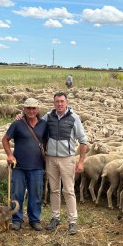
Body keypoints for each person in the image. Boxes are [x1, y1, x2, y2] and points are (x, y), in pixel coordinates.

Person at [44, 92, 87, 235]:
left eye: (62, 101)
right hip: (50, 158)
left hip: (67, 159)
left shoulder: (74, 118)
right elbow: (35, 125)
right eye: (57, 102)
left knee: (68, 190)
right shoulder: (48, 117)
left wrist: (80, 161)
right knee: (54, 190)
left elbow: (83, 141)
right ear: (54, 103)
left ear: (66, 102)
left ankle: (72, 221)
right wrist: (21, 117)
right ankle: (55, 218)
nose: (59, 104)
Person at [2, 98, 47, 231]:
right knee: (17, 194)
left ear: (37, 109)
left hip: (37, 166)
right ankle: (16, 219)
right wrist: (10, 155)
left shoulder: (44, 124)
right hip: (19, 166)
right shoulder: (17, 123)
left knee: (36, 194)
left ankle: (34, 220)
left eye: (33, 108)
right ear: (24, 109)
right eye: (28, 108)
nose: (31, 111)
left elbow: (46, 143)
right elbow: (5, 140)